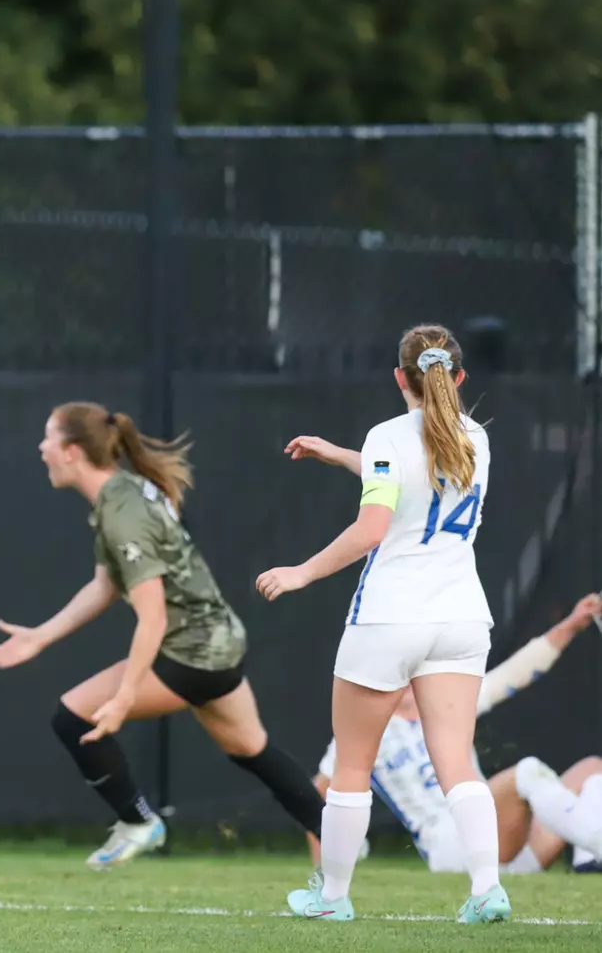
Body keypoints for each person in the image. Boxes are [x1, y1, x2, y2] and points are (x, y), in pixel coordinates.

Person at [0, 402, 327, 869]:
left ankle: (139, 821)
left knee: (73, 718)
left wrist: (124, 697)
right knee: (252, 748)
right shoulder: (118, 496)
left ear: (71, 452)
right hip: (218, 641)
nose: (41, 448)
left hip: (195, 651)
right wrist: (41, 637)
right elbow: (106, 585)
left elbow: (153, 618)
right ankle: (338, 838)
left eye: (48, 438)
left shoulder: (123, 512)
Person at [257, 324, 508, 924]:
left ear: (400, 377)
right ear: (459, 377)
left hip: (391, 618)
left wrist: (302, 572)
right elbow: (418, 474)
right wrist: (342, 454)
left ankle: (334, 899)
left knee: (350, 765)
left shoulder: (389, 436)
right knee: (457, 763)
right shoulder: (475, 437)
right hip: (462, 617)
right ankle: (487, 889)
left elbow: (375, 526)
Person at [289, 430, 602, 876]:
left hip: (508, 847)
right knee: (526, 772)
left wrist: (570, 626)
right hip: (448, 847)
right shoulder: (371, 719)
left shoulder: (448, 695)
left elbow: (518, 672)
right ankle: (592, 848)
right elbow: (321, 790)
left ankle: (589, 859)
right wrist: (326, 863)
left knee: (591, 769)